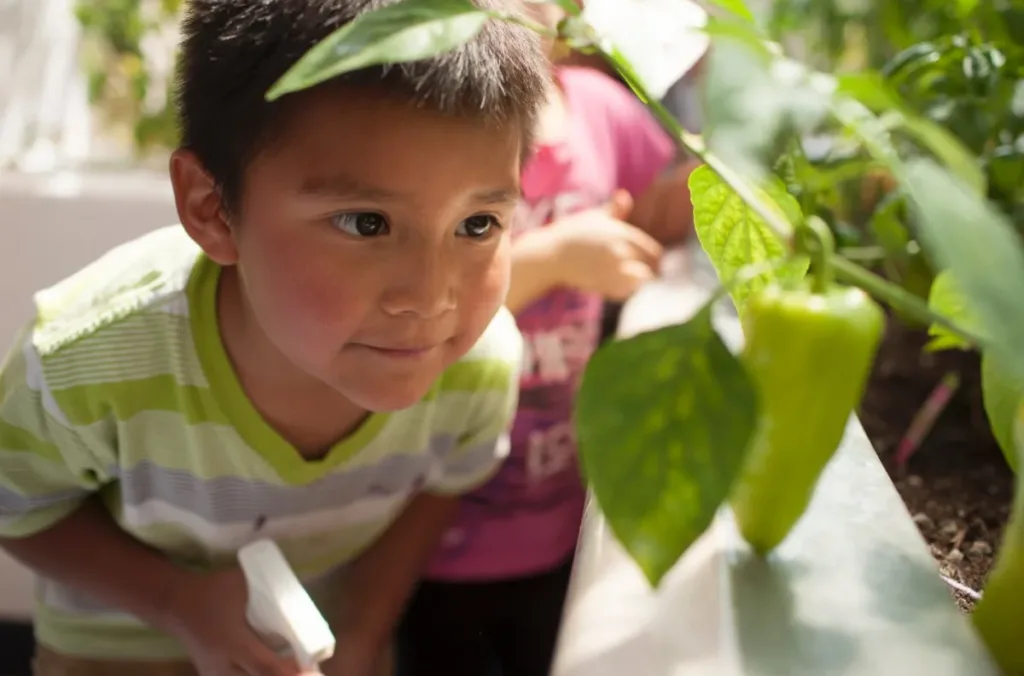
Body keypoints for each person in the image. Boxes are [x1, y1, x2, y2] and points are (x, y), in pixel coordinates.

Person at [0, 1, 550, 674]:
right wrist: (179, 602)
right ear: (212, 209)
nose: (430, 298)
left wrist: (363, 633)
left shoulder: (478, 366)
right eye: (366, 224)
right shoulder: (85, 360)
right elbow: (17, 506)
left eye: (478, 224)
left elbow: (440, 484)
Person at [399, 3, 702, 675]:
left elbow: (668, 207)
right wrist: (558, 257)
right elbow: (418, 303)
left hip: (560, 514)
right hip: (434, 531)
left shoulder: (599, 111)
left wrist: (730, 110)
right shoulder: (435, 123)